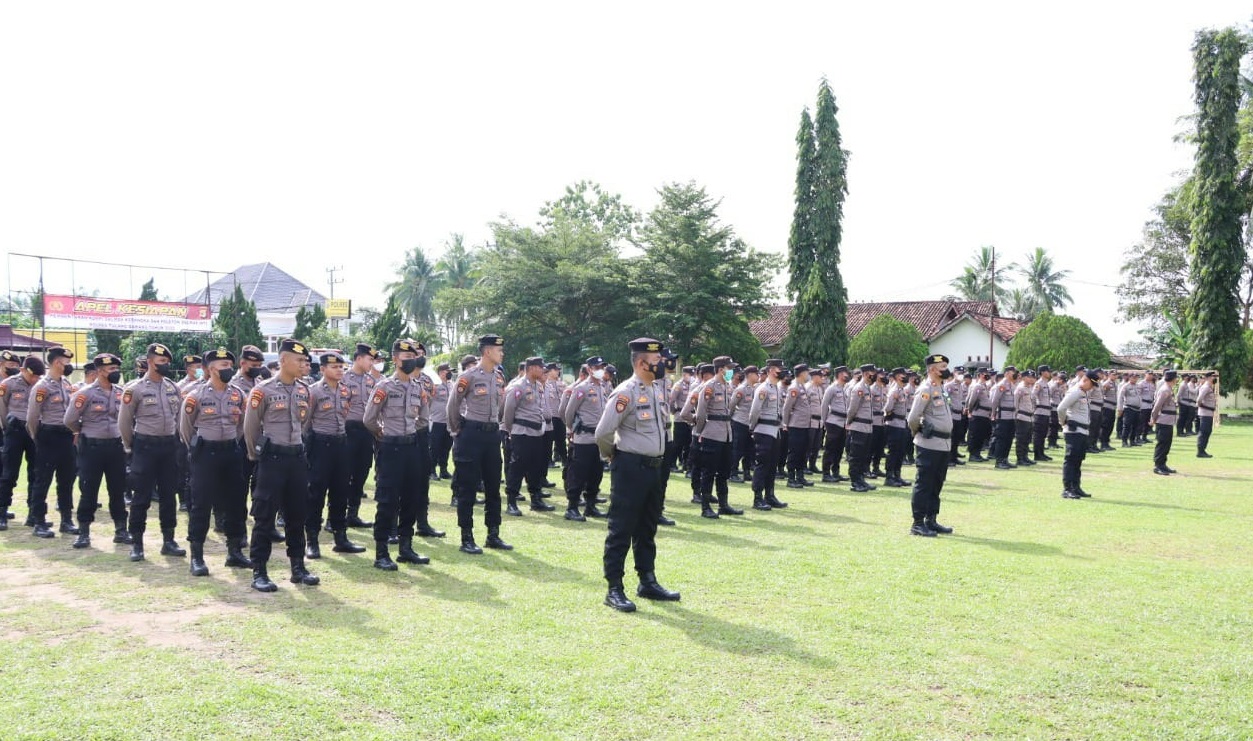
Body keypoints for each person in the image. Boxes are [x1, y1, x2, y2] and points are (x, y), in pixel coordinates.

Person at [596, 338, 680, 613]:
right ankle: (614, 588)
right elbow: (603, 432)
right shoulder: (625, 392)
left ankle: (647, 581)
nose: (662, 365)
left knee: (647, 528)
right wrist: (612, 455)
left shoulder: (656, 390)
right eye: (656, 361)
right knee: (621, 528)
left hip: (654, 468)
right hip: (630, 467)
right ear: (642, 363)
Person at [242, 339, 319, 591]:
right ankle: (259, 571)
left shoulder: (303, 390)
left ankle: (298, 567)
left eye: (304, 361)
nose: (303, 365)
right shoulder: (262, 390)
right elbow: (251, 428)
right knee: (264, 516)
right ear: (283, 360)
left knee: (297, 514)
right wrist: (257, 456)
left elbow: (304, 422)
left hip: (296, 458)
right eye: (298, 360)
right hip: (272, 460)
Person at [362, 339, 435, 571]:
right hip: (390, 448)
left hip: (411, 447)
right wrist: (381, 434)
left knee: (411, 498)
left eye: (412, 358)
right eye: (405, 358)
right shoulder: (384, 387)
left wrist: (412, 431)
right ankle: (381, 552)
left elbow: (424, 418)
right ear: (395, 359)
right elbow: (369, 419)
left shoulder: (417, 387)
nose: (410, 361)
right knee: (387, 500)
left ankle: (406, 547)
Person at [180, 348, 252, 574]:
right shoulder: (196, 395)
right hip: (205, 454)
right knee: (201, 504)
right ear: (211, 369)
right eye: (223, 366)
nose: (228, 369)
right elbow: (185, 428)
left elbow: (241, 425)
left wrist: (232, 441)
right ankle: (197, 557)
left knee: (235, 503)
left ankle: (234, 552)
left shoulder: (238, 394)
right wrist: (199, 446)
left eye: (229, 365)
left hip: (230, 452)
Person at [119, 344, 186, 561]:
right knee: (141, 497)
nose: (165, 365)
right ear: (150, 362)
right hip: (145, 447)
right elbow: (125, 422)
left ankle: (169, 540)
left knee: (169, 496)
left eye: (167, 362)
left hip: (168, 447)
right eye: (161, 362)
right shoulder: (135, 389)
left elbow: (179, 419)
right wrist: (131, 447)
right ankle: (137, 543)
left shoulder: (173, 388)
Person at [448, 335, 511, 555]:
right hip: (471, 434)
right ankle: (467, 536)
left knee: (493, 487)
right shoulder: (469, 376)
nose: (501, 353)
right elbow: (453, 405)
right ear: (486, 352)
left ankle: (493, 534)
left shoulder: (499, 376)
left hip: (492, 435)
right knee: (467, 488)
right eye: (498, 349)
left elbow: (500, 406)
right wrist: (457, 431)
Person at [303, 350, 368, 560]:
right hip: (320, 444)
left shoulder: (345, 391)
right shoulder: (313, 392)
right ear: (322, 369)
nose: (339, 370)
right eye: (334, 367)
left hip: (341, 443)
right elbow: (305, 422)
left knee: (341, 490)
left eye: (341, 367)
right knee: (316, 493)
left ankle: (341, 537)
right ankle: (312, 540)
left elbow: (345, 415)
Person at [64, 353, 129, 549]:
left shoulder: (121, 392)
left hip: (116, 447)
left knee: (117, 490)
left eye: (117, 369)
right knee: (89, 490)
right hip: (92, 447)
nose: (115, 373)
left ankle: (121, 531)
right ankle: (84, 532)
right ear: (100, 371)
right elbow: (69, 419)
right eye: (111, 370)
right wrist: (80, 430)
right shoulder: (85, 394)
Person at [26, 347, 79, 538]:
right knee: (43, 480)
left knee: (66, 480)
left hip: (66, 437)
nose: (68, 365)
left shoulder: (65, 383)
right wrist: (37, 437)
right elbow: (32, 417)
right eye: (66, 362)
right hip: (48, 436)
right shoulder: (42, 386)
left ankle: (66, 520)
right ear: (57, 362)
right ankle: (38, 521)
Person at [906, 354, 954, 537]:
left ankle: (931, 520)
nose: (945, 369)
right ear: (932, 369)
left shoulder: (941, 388)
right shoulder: (925, 389)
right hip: (929, 444)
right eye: (942, 366)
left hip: (944, 444)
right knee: (924, 483)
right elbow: (913, 418)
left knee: (936, 484)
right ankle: (917, 523)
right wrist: (918, 433)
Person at [503, 356, 553, 516]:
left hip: (536, 432)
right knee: (518, 467)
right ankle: (511, 501)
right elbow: (508, 410)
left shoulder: (538, 386)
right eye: (540, 367)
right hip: (522, 432)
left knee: (535, 467)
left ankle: (536, 499)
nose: (543, 371)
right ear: (531, 368)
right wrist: (511, 430)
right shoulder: (518, 386)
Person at [694, 356, 741, 518]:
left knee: (724, 471)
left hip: (726, 433)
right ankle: (706, 506)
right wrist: (700, 432)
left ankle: (723, 504)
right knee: (708, 472)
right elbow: (700, 413)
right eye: (729, 368)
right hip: (712, 433)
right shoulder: (709, 386)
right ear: (721, 369)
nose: (732, 372)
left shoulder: (727, 387)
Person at [0, 356, 44, 530]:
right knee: (9, 473)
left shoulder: (41, 384)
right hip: (15, 431)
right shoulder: (9, 384)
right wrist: (7, 428)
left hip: (35, 433)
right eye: (32, 375)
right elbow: (2, 408)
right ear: (24, 370)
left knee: (36, 473)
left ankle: (33, 513)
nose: (34, 379)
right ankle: (2, 512)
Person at [563, 356, 608, 521]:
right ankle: (572, 507)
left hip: (599, 439)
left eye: (602, 367)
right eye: (597, 367)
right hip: (584, 438)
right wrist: (572, 430)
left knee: (596, 473)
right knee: (579, 473)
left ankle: (591, 506)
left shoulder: (602, 387)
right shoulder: (582, 388)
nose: (600, 370)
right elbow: (569, 412)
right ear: (589, 369)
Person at [342, 344, 381, 529]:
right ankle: (337, 514)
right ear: (359, 359)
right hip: (347, 430)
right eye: (369, 359)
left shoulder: (371, 381)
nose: (372, 363)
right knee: (343, 473)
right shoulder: (343, 378)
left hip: (366, 430)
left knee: (361, 472)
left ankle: (353, 514)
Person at [747, 359, 788, 510]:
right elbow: (755, 411)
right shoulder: (763, 389)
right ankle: (757, 498)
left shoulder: (776, 388)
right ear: (771, 370)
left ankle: (769, 495)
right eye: (778, 368)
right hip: (763, 430)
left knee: (772, 466)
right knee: (762, 465)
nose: (781, 371)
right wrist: (752, 428)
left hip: (775, 431)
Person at [1056, 371, 1093, 499]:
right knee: (1071, 460)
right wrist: (1063, 422)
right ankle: (1067, 488)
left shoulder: (1083, 392)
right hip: (1074, 431)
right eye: (1092, 384)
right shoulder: (1075, 391)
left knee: (1078, 460)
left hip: (1082, 431)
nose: (1092, 387)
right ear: (1086, 380)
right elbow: (1061, 408)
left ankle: (1076, 487)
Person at [844, 364, 878, 492]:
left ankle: (861, 479)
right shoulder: (858, 388)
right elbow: (852, 408)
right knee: (856, 456)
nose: (873, 375)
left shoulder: (867, 388)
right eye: (871, 372)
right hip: (858, 426)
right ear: (864, 374)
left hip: (867, 427)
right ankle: (855, 481)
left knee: (864, 455)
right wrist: (849, 422)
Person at [781, 363, 814, 489]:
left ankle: (800, 476)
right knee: (794, 452)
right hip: (795, 425)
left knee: (802, 451)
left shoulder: (802, 386)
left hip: (804, 425)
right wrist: (785, 423)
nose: (808, 375)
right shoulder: (794, 387)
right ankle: (791, 478)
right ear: (802, 373)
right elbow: (787, 407)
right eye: (807, 372)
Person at [880, 367, 913, 487]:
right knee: (893, 451)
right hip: (894, 424)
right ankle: (889, 477)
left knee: (900, 451)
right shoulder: (894, 390)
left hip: (902, 423)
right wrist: (890, 414)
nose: (904, 376)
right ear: (897, 377)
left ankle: (897, 475)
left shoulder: (902, 389)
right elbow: (888, 408)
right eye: (902, 375)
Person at [728, 365, 758, 484]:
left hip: (750, 424)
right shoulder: (741, 389)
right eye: (756, 374)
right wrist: (730, 420)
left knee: (750, 450)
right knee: (737, 449)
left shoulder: (755, 389)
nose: (758, 376)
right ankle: (733, 472)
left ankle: (746, 472)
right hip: (740, 422)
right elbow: (731, 406)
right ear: (750, 375)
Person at [821, 365, 851, 482]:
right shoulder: (831, 388)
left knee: (839, 449)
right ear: (839, 374)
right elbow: (824, 405)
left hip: (843, 422)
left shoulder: (844, 388)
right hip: (833, 421)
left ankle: (836, 471)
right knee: (830, 448)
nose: (847, 375)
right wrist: (824, 422)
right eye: (845, 373)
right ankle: (826, 473)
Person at [989, 366, 1019, 469]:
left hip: (1011, 416)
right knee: (1002, 439)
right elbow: (995, 400)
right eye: (1012, 372)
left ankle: (1005, 459)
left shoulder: (1012, 385)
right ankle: (999, 461)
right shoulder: (1001, 385)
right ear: (1006, 373)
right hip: (1003, 416)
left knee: (1009, 439)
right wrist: (993, 413)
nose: (1014, 374)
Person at [1150, 369, 1179, 476]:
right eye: (1176, 377)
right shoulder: (1165, 390)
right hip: (1163, 420)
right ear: (1173, 378)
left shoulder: (1169, 389)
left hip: (1169, 421)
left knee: (1167, 443)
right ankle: (1158, 466)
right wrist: (1153, 419)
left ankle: (1163, 464)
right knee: (1162, 443)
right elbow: (1157, 406)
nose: (1177, 379)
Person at [429, 362, 454, 480]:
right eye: (447, 371)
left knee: (446, 446)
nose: (449, 373)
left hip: (448, 421)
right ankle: (431, 470)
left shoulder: (451, 385)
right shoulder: (434, 385)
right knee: (435, 446)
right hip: (437, 420)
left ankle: (443, 469)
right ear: (440, 373)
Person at [964, 368, 993, 462]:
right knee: (975, 435)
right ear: (980, 375)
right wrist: (970, 411)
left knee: (981, 436)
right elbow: (972, 400)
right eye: (985, 373)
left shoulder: (984, 386)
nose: (987, 375)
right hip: (978, 414)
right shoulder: (977, 386)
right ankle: (973, 455)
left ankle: (978, 454)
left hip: (984, 414)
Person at [1012, 370, 1037, 466]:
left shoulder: (1029, 388)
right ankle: (1020, 459)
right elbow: (1016, 403)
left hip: (1029, 417)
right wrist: (1016, 416)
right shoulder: (1020, 388)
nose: (1031, 379)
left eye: (1032, 377)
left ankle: (1025, 457)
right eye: (1029, 377)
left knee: (1027, 439)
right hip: (1022, 417)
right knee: (1021, 439)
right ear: (1023, 377)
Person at [1031, 366, 1054, 462]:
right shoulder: (1039, 383)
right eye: (1047, 371)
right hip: (1040, 412)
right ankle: (1037, 454)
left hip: (1046, 412)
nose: (1049, 373)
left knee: (1043, 433)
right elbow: (1033, 395)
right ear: (1042, 372)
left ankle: (1041, 453)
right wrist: (1035, 406)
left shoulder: (1046, 384)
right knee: (1038, 434)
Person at [1195, 371, 1218, 458]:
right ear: (1208, 377)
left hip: (1208, 414)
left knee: (1207, 431)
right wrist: (1207, 407)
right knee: (1204, 432)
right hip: (1205, 413)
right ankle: (1200, 451)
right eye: (1213, 376)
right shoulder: (1205, 387)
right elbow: (1198, 400)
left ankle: (1202, 450)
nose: (1215, 378)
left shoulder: (1209, 387)